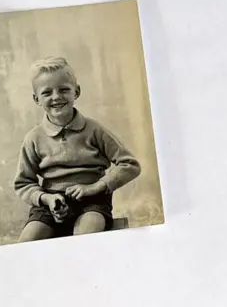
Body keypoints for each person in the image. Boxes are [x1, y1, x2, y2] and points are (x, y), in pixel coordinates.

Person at [13, 56, 141, 243]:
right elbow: (23, 183)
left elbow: (130, 164)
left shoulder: (94, 130)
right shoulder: (33, 138)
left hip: (92, 202)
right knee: (27, 241)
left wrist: (96, 187)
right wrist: (47, 199)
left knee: (86, 237)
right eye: (47, 92)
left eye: (64, 89)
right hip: (51, 204)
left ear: (77, 91)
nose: (56, 97)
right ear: (36, 99)